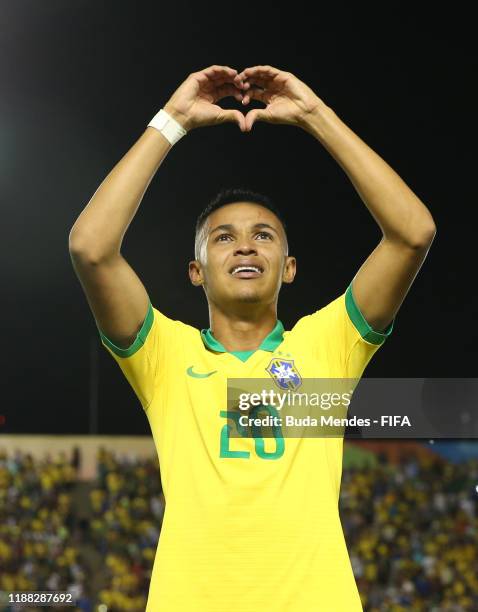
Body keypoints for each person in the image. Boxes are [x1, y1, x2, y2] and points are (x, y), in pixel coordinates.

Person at [68, 64, 436, 611]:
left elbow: (413, 233)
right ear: (196, 271)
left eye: (263, 236)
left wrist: (316, 117)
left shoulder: (326, 346)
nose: (245, 247)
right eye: (223, 238)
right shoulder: (165, 356)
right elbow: (91, 248)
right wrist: (172, 121)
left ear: (288, 268)